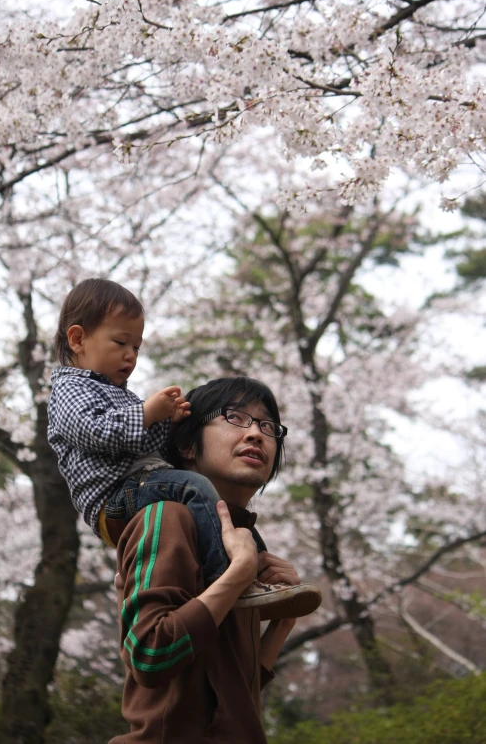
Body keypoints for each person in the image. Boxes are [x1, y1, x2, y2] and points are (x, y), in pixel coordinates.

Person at [48, 278, 320, 614]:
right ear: (77, 339)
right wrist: (148, 412)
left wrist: (167, 421)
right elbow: (96, 432)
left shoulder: (116, 394)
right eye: (120, 342)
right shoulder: (70, 390)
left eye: (136, 347)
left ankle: (264, 580)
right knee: (196, 487)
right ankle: (231, 577)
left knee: (233, 522)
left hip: (135, 484)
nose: (130, 355)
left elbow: (146, 445)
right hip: (115, 498)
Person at [109, 376, 322, 744]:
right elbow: (149, 655)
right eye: (235, 418)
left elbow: (231, 694)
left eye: (267, 425)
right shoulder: (167, 517)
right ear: (188, 445)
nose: (256, 433)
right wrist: (237, 576)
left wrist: (282, 622)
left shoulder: (245, 544)